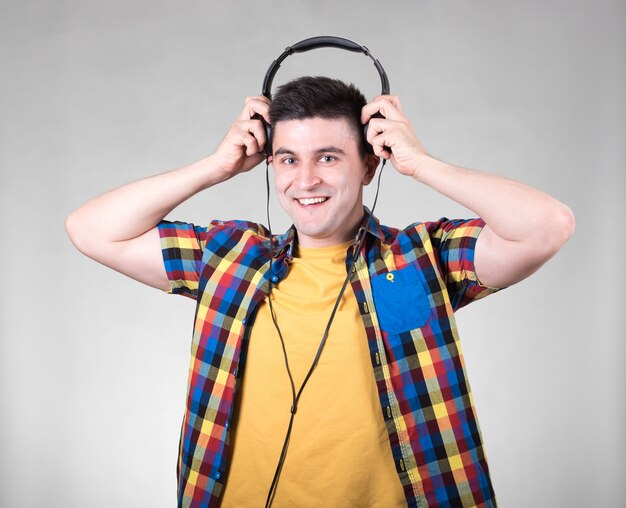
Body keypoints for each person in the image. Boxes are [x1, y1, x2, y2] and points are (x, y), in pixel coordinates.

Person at [65, 76, 575, 508]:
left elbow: (546, 226)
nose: (304, 180)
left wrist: (421, 163)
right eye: (287, 159)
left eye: (328, 157)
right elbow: (91, 229)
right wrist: (215, 166)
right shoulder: (229, 257)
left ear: (370, 164)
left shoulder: (420, 259)